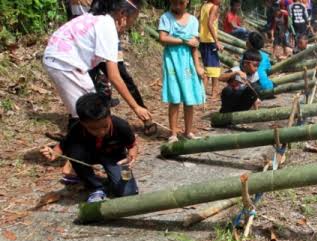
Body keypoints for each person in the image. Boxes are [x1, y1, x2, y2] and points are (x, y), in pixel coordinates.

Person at [43, 0, 150, 184]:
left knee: (88, 110)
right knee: (86, 113)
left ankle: (75, 162)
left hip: (62, 60)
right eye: (134, 19)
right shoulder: (107, 26)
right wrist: (136, 107)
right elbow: (115, 75)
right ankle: (72, 166)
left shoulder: (97, 19)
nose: (131, 24)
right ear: (123, 15)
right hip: (65, 62)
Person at [40, 93, 139, 203]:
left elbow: (132, 146)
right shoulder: (76, 129)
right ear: (82, 123)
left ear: (109, 116)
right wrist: (52, 154)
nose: (100, 132)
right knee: (74, 152)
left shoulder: (122, 126)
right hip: (88, 156)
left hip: (115, 157)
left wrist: (131, 156)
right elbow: (61, 146)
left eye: (105, 127)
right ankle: (95, 187)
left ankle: (112, 177)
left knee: (128, 192)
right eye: (93, 129)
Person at [159, 0, 207, 143]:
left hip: (188, 63)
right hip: (172, 61)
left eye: (180, 3)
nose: (177, 6)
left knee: (189, 97)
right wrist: (184, 41)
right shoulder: (166, 18)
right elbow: (162, 38)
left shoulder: (193, 20)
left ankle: (188, 132)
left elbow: (194, 46)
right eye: (174, 3)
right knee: (174, 98)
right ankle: (173, 133)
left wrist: (198, 66)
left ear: (186, 2)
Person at [199, 0, 223, 99]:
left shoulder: (204, 6)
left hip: (203, 41)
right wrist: (216, 41)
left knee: (208, 67)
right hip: (210, 41)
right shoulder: (214, 7)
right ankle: (213, 92)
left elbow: (199, 20)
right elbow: (210, 23)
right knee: (215, 68)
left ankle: (202, 92)